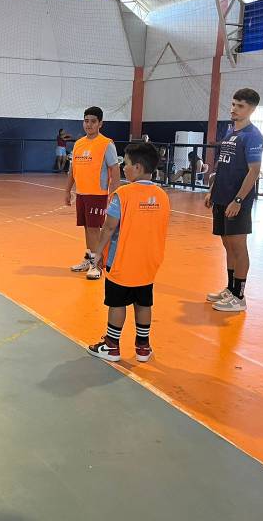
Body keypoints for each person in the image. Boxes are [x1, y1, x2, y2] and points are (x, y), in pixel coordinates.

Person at [87, 142, 170, 363]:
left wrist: (97, 253)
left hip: (122, 262)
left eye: (127, 163)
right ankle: (143, 347)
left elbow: (109, 227)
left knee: (117, 304)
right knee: (144, 303)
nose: (124, 166)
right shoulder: (162, 196)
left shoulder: (122, 194)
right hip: (148, 262)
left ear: (139, 168)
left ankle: (112, 346)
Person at [205, 88, 263, 313]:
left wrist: (238, 199)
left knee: (239, 247)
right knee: (227, 244)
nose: (234, 109)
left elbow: (254, 171)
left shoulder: (253, 136)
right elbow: (222, 165)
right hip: (221, 196)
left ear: (251, 109)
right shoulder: (230, 132)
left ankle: (239, 296)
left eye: (240, 106)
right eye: (233, 104)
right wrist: (213, 190)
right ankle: (230, 289)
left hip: (237, 200)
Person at [64, 106, 120, 280]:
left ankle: (97, 265)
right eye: (86, 121)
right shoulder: (79, 143)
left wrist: (114, 195)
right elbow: (72, 170)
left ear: (100, 123)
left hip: (98, 194)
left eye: (93, 121)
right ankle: (89, 260)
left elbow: (115, 170)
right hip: (81, 194)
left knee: (95, 229)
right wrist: (68, 191)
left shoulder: (106, 144)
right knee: (87, 229)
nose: (89, 124)